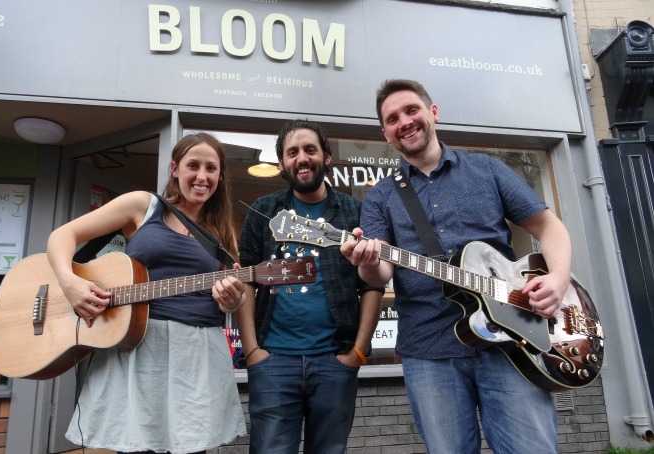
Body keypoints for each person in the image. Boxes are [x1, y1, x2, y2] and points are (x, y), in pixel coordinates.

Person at [341, 79, 572, 454]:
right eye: (393, 118)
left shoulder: (488, 170)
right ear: (386, 134)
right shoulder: (381, 196)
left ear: (433, 112)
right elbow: (380, 273)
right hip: (430, 351)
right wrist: (366, 262)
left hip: (512, 344)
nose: (404, 122)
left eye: (411, 110)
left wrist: (558, 281)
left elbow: (549, 226)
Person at [46, 133, 247, 454]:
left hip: (197, 353)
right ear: (175, 169)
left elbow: (234, 295)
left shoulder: (223, 233)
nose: (202, 176)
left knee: (190, 448)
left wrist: (233, 299)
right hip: (137, 346)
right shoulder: (143, 205)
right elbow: (62, 235)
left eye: (211, 168)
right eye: (193, 165)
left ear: (220, 178)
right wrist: (69, 282)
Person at [237, 119, 384, 454]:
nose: (301, 158)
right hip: (273, 361)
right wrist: (252, 352)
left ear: (326, 157)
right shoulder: (264, 211)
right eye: (292, 152)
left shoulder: (354, 212)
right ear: (282, 164)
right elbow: (246, 279)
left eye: (309, 149)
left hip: (335, 361)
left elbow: (372, 286)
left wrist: (358, 351)